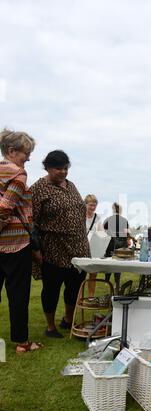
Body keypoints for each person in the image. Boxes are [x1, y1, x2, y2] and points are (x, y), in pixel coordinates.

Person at [31, 150, 90, 338]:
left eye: (66, 168)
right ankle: (50, 327)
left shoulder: (71, 185)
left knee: (74, 285)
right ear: (47, 167)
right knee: (52, 287)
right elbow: (32, 221)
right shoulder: (38, 188)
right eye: (59, 168)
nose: (63, 172)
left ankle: (68, 319)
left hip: (78, 246)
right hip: (54, 248)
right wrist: (36, 249)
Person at [0, 128, 43, 353]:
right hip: (16, 243)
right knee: (18, 295)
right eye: (26, 152)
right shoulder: (18, 173)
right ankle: (21, 343)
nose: (29, 157)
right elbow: (5, 207)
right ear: (11, 151)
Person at [103, 202, 130, 293]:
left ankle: (106, 281)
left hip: (111, 243)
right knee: (117, 265)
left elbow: (105, 231)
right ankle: (116, 283)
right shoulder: (124, 220)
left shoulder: (108, 219)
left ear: (113, 209)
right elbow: (127, 233)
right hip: (121, 245)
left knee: (109, 264)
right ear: (120, 210)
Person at [84, 194, 104, 296]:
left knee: (93, 274)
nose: (92, 207)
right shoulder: (80, 215)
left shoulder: (97, 217)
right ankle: (78, 297)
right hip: (82, 248)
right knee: (80, 276)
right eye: (90, 205)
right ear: (85, 204)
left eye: (94, 205)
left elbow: (101, 232)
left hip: (93, 248)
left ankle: (91, 296)